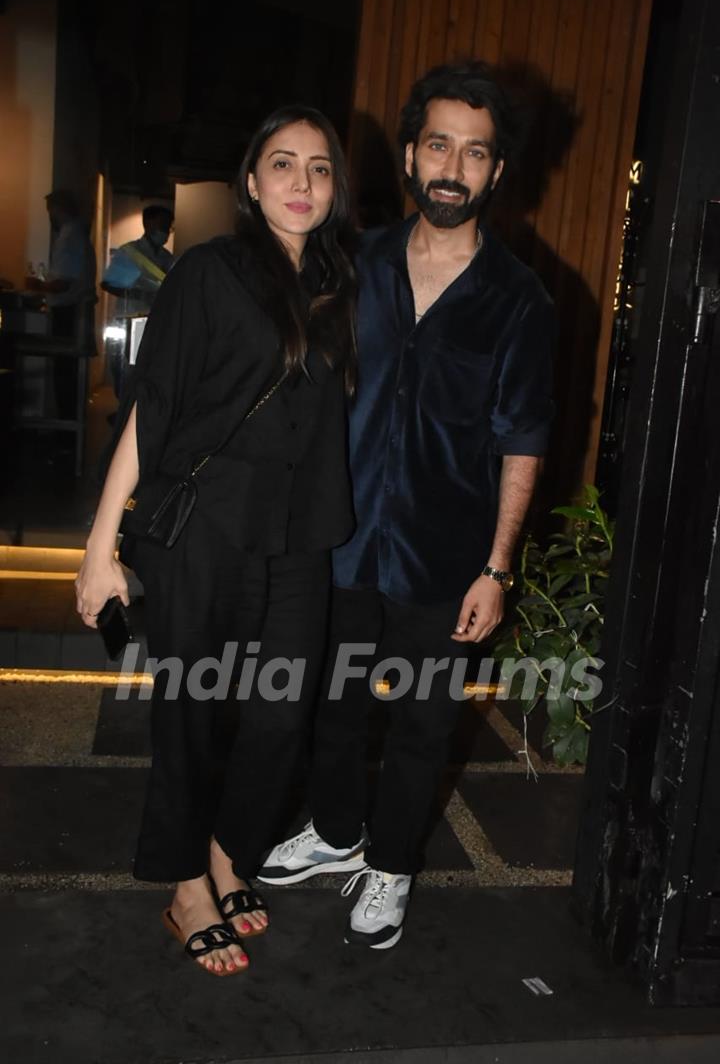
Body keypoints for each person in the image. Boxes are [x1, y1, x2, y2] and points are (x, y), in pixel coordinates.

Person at [259, 63, 556, 950]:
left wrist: (497, 567)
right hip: (343, 540)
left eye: (475, 152)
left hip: (446, 556)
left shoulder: (523, 302)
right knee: (333, 707)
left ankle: (389, 866)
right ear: (411, 154)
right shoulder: (355, 267)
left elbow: (524, 442)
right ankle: (338, 832)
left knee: (424, 721)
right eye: (438, 145)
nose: (453, 168)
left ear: (498, 171)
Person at [75, 105, 356, 976]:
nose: (301, 183)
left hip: (301, 534)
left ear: (335, 186)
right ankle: (187, 881)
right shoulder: (208, 273)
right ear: (249, 180)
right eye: (282, 163)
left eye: (318, 167)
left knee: (280, 714)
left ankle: (234, 848)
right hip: (205, 529)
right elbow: (151, 412)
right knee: (191, 712)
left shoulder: (342, 284)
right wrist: (99, 547)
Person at [27, 190, 97, 417]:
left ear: (58, 209)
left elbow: (63, 283)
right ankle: (68, 429)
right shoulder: (78, 235)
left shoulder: (69, 236)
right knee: (69, 375)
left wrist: (36, 286)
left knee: (64, 375)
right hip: (75, 311)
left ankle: (64, 432)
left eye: (51, 211)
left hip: (68, 312)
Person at [102, 205, 175, 317]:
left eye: (169, 227)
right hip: (130, 316)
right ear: (148, 223)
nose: (166, 231)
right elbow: (108, 285)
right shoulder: (128, 252)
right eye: (163, 225)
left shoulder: (168, 257)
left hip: (157, 317)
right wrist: (140, 295)